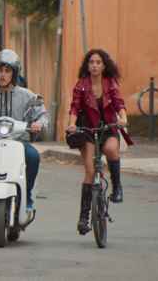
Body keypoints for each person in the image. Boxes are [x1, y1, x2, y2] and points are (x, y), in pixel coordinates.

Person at [0, 49, 48, 212]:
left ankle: (27, 195)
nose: (3, 75)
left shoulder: (27, 96)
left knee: (33, 157)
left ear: (14, 73)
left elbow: (42, 115)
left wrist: (39, 123)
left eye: (7, 71)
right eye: (0, 70)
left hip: (19, 143)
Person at [66, 48, 133, 235]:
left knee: (112, 149)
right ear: (87, 66)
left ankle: (117, 187)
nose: (94, 65)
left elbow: (119, 103)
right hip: (88, 129)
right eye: (91, 62)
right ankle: (83, 218)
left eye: (98, 62)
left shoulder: (109, 83)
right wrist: (71, 124)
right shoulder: (81, 85)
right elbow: (74, 108)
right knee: (89, 171)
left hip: (108, 127)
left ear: (104, 66)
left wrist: (123, 118)